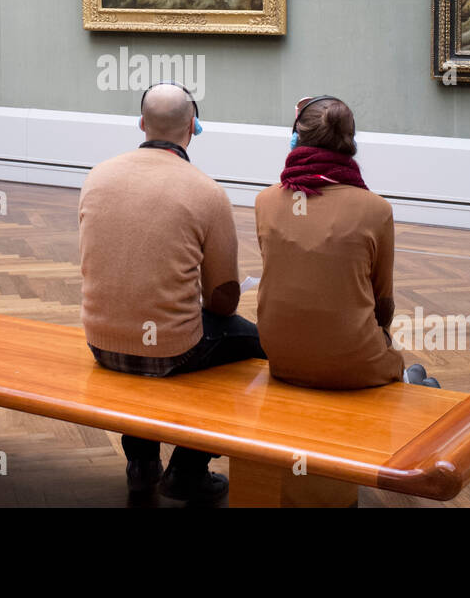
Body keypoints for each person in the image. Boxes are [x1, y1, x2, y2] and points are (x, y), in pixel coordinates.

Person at [78, 82, 265, 502]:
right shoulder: (207, 191)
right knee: (258, 345)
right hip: (172, 349)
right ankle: (189, 467)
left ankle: (141, 462)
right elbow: (223, 299)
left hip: (101, 342)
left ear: (142, 124)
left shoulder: (97, 177)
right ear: (194, 127)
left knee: (142, 336)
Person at [254, 96, 438, 390]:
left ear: (295, 138)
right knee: (419, 377)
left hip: (282, 358)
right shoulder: (376, 210)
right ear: (350, 142)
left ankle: (409, 381)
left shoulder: (265, 201)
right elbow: (383, 305)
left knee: (412, 376)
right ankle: (410, 383)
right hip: (354, 366)